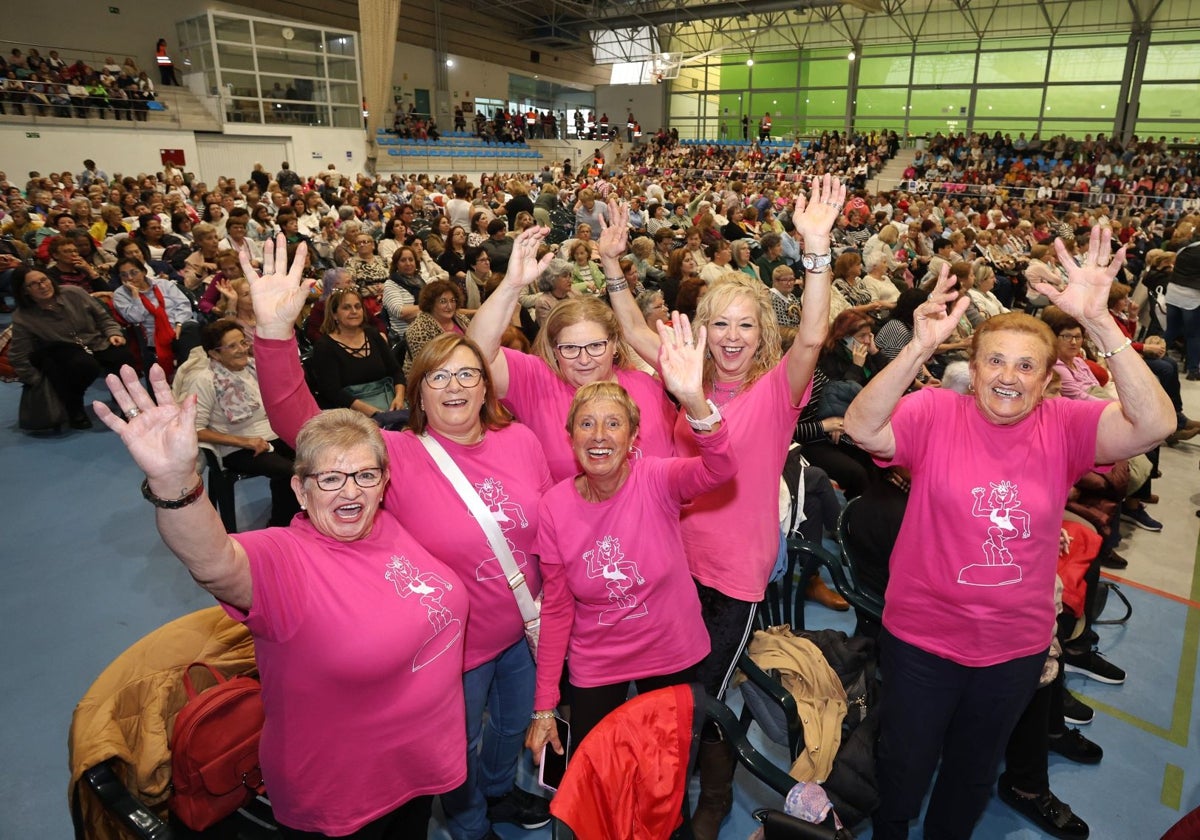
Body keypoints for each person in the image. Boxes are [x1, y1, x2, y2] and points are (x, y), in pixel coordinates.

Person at [843, 227, 1175, 840]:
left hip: (1012, 648)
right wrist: (916, 349)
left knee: (970, 775)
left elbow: (1156, 422)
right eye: (995, 360)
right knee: (904, 767)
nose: (1009, 377)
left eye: (1027, 366)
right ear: (973, 368)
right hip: (922, 638)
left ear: (1048, 378)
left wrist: (1102, 324)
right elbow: (864, 428)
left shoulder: (1065, 425)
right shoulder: (936, 412)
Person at [242, 238, 558, 838]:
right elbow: (302, 425)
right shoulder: (396, 455)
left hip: (524, 626)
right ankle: (468, 822)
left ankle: (496, 794)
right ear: (415, 392)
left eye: (468, 373)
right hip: (450, 643)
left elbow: (546, 537)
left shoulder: (519, 440)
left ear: (486, 385)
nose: (456, 386)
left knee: (511, 728)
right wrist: (274, 334)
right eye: (438, 378)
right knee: (456, 749)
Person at [95, 370, 468, 838]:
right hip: (344, 794)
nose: (351, 491)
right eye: (330, 478)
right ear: (299, 490)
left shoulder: (391, 527)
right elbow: (214, 561)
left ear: (384, 482)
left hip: (419, 765)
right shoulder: (284, 559)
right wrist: (175, 483)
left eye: (365, 475)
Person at [603, 176, 844, 840]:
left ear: (759, 330)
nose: (732, 338)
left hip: (734, 575)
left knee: (699, 695)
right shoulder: (687, 376)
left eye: (745, 325)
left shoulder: (775, 392)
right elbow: (627, 327)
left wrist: (815, 251)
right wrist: (610, 264)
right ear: (701, 330)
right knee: (665, 692)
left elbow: (814, 336)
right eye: (720, 325)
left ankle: (702, 802)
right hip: (674, 566)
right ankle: (674, 799)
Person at [525, 315, 735, 756]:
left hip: (670, 648)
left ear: (634, 436)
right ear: (569, 437)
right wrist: (545, 706)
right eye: (586, 425)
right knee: (597, 776)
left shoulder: (656, 479)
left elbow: (721, 470)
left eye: (613, 424)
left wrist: (695, 399)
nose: (599, 436)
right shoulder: (554, 507)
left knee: (666, 770)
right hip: (598, 658)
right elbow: (559, 608)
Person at [468, 229, 679, 484]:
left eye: (595, 346)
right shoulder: (537, 382)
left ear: (614, 345)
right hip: (572, 521)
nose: (584, 359)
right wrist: (511, 286)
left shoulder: (648, 388)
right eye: (569, 349)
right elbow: (476, 354)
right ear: (555, 350)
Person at [170, 319, 300, 527]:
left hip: (272, 435)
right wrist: (245, 441)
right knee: (292, 472)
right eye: (232, 346)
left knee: (316, 458)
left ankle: (298, 518)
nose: (241, 350)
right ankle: (281, 525)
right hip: (237, 448)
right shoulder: (204, 380)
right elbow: (195, 429)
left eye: (243, 343)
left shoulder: (254, 367)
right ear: (214, 354)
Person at [9, 267, 134, 430]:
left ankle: (125, 402)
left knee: (122, 357)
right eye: (34, 284)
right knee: (83, 365)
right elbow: (19, 355)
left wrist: (113, 333)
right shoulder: (22, 317)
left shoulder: (74, 293)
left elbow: (104, 318)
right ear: (24, 291)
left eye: (44, 280)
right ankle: (74, 407)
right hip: (63, 351)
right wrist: (34, 379)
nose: (43, 286)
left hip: (96, 341)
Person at [308, 287, 405, 416]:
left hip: (390, 401)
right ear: (334, 314)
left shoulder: (373, 335)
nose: (354, 311)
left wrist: (399, 398)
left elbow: (396, 371)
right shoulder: (325, 346)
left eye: (358, 307)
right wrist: (376, 413)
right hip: (351, 412)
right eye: (346, 307)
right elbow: (333, 392)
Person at [112, 257, 200, 379]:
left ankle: (187, 375)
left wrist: (179, 324)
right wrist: (136, 296)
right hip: (153, 336)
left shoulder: (163, 284)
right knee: (191, 339)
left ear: (144, 271)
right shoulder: (120, 295)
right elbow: (136, 318)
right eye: (124, 275)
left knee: (191, 328)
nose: (130, 278)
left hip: (179, 328)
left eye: (134, 272)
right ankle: (189, 376)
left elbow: (183, 305)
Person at [403, 281, 472, 376]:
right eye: (443, 301)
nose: (450, 306)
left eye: (452, 300)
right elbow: (425, 366)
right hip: (431, 377)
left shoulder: (460, 319)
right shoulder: (418, 329)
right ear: (431, 304)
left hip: (464, 368)